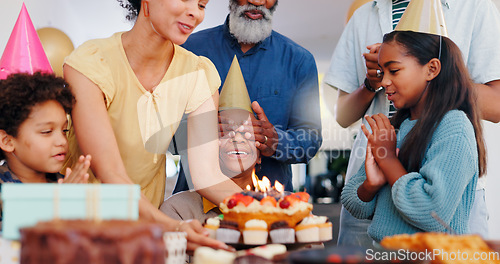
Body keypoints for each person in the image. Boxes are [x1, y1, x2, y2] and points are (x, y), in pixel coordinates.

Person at [62, 0, 240, 251]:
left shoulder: (198, 73)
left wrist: (263, 209)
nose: (195, 13)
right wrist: (173, 227)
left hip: (142, 228)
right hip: (77, 227)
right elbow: (110, 172)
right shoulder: (92, 63)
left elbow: (208, 174)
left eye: (201, 5)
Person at [324, 0, 500, 246]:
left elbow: (431, 211)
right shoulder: (396, 127)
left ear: (432, 69)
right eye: (383, 73)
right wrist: (374, 80)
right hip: (387, 249)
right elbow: (355, 202)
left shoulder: (453, 128)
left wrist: (445, 77)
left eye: (393, 71)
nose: (385, 82)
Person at [173, 0, 322, 194]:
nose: (257, 1)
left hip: (272, 205)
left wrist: (276, 141)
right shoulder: (187, 50)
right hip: (195, 203)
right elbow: (159, 131)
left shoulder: (300, 60)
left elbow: (310, 140)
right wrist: (201, 130)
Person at [0, 72, 91, 224]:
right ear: (7, 141)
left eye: (64, 130)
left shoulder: (65, 184)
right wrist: (59, 206)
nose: (61, 141)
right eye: (47, 132)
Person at [161, 110, 260, 223]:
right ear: (208, 150)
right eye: (225, 132)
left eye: (248, 134)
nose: (237, 139)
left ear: (260, 157)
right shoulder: (178, 209)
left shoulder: (279, 206)